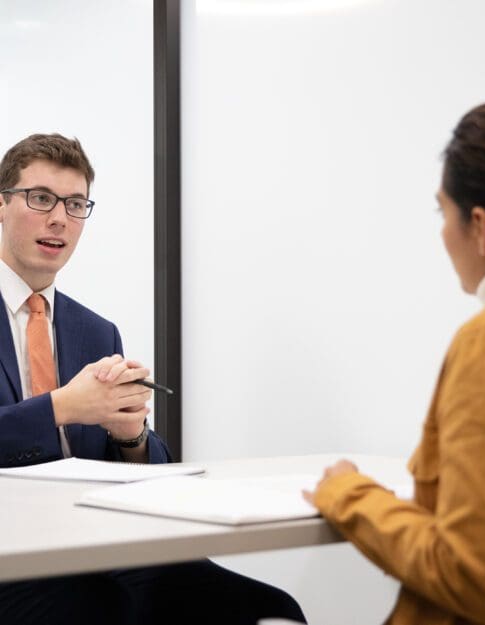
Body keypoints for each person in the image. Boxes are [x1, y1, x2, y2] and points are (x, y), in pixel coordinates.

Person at [0, 133, 306, 625]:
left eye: (76, 204)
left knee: (266, 607)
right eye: (41, 199)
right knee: (96, 609)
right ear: (2, 204)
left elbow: (141, 468)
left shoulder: (96, 330)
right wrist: (63, 407)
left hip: (99, 544)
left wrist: (131, 435)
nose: (59, 218)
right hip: (12, 555)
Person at [305, 101, 485, 625]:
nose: (442, 232)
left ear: (481, 227)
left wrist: (347, 493)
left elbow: (474, 573)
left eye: (442, 211)